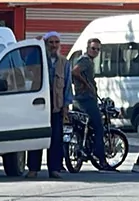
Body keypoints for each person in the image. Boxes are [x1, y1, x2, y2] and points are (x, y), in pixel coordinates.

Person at [27, 31, 72, 179]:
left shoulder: (64, 63)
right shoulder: (38, 59)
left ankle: (54, 169)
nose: (53, 45)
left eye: (56, 42)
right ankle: (33, 168)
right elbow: (27, 67)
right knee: (36, 138)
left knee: (56, 139)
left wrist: (66, 107)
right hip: (38, 105)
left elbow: (67, 86)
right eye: (50, 42)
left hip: (56, 106)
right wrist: (35, 44)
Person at [70, 38, 117, 171]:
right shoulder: (85, 61)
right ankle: (101, 159)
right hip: (86, 100)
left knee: (81, 128)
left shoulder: (86, 60)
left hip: (79, 99)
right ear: (87, 48)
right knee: (99, 127)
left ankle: (82, 150)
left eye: (98, 49)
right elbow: (75, 71)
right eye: (93, 48)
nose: (95, 51)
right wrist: (86, 84)